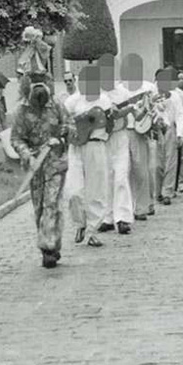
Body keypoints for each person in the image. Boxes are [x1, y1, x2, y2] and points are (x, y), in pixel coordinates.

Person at [11, 71, 72, 268]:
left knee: (51, 204)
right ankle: (49, 244)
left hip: (55, 164)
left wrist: (63, 135)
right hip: (35, 167)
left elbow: (71, 126)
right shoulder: (21, 112)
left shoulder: (57, 106)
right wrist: (26, 154)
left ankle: (49, 248)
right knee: (39, 208)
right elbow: (16, 138)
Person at [63, 64, 112, 248]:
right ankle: (79, 223)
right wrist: (72, 129)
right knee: (74, 190)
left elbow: (109, 124)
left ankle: (92, 231)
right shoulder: (73, 101)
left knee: (96, 190)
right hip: (76, 148)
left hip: (96, 147)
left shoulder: (104, 100)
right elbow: (63, 119)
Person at [99, 53, 136, 235]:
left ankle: (123, 218)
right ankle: (107, 217)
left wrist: (126, 109)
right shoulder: (95, 92)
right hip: (103, 139)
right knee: (106, 178)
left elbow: (133, 110)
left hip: (120, 136)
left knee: (121, 177)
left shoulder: (122, 92)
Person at [121, 54, 158, 221]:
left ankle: (143, 207)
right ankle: (128, 208)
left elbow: (155, 109)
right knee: (125, 172)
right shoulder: (121, 89)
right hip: (122, 132)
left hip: (140, 132)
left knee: (141, 170)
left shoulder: (148, 87)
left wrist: (151, 123)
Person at [154, 68, 183, 205]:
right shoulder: (152, 96)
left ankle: (167, 191)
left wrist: (180, 134)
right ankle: (158, 191)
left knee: (171, 162)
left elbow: (180, 115)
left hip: (170, 130)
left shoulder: (175, 96)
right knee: (156, 164)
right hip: (156, 130)